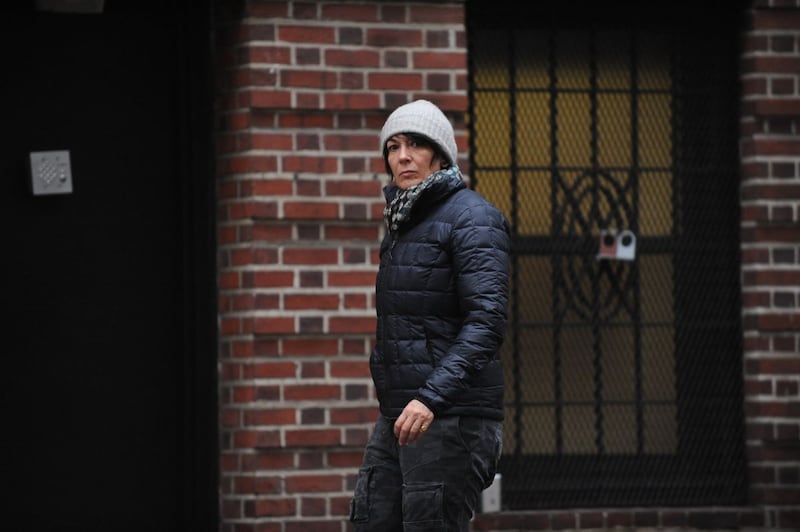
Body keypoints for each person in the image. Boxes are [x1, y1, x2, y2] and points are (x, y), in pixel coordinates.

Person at [349, 99, 511, 531]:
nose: (403, 156)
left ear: (440, 156)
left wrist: (430, 398)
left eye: (416, 145)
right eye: (393, 147)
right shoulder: (404, 223)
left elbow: (486, 322)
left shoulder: (473, 218)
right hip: (400, 414)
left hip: (450, 418)